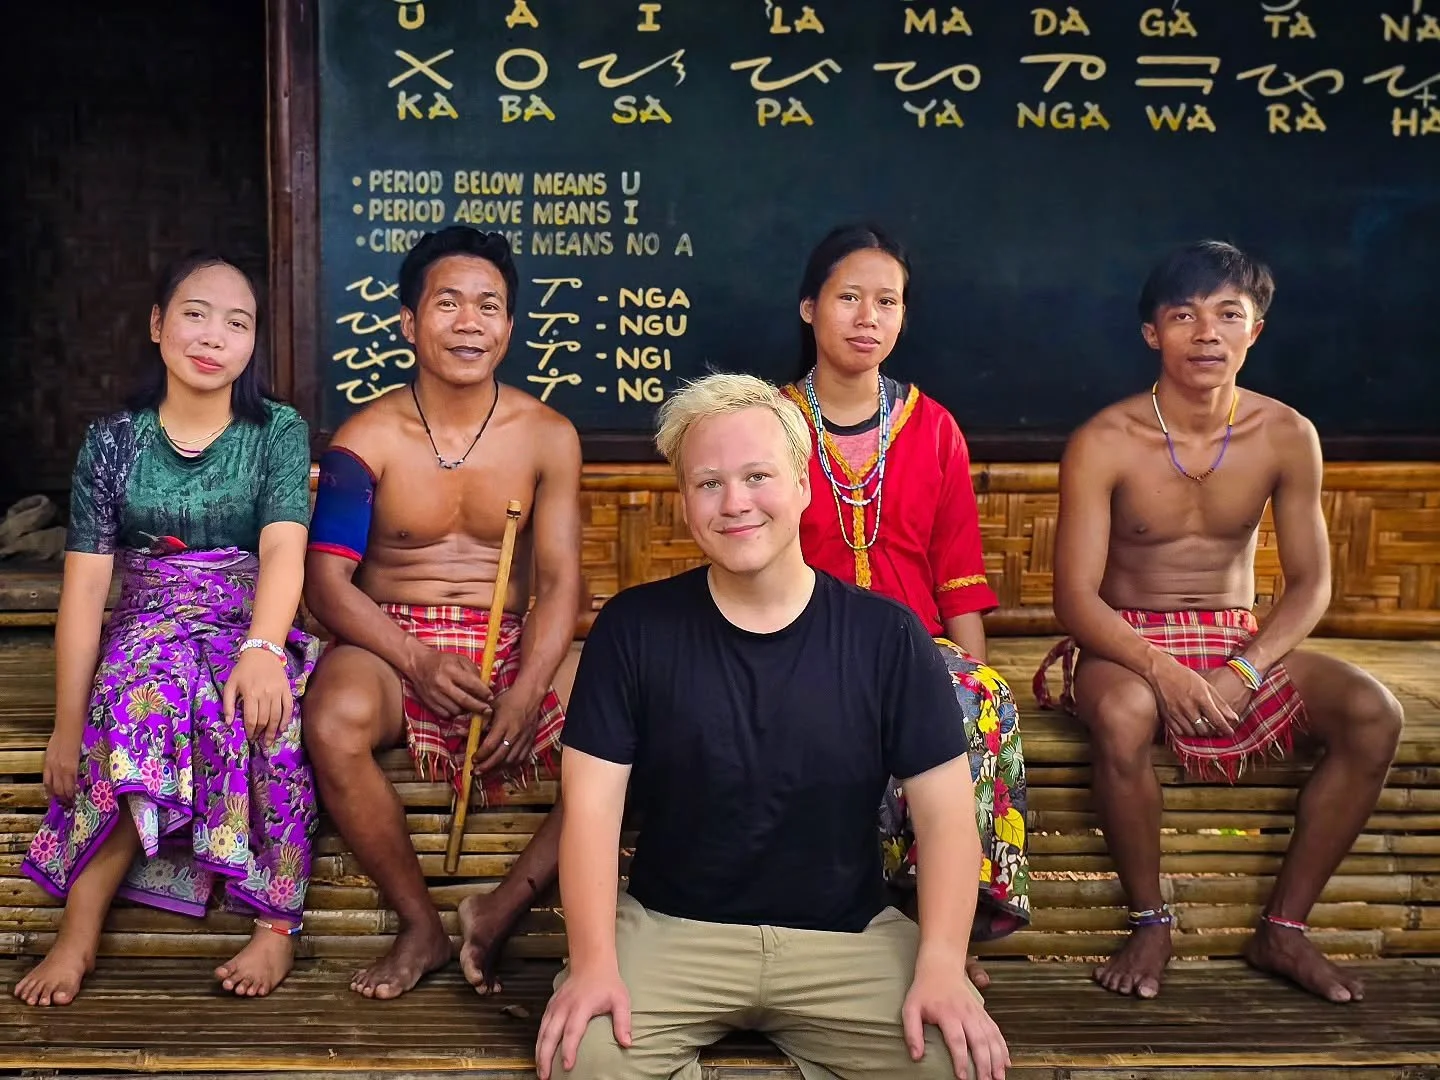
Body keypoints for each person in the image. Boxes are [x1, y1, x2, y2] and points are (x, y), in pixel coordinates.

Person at [536, 373, 1010, 1080]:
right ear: (686, 505)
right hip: (672, 931)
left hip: (845, 938)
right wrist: (594, 964)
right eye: (708, 483)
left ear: (803, 486)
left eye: (758, 476)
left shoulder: (887, 636)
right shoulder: (633, 630)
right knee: (585, 1059)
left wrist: (940, 965)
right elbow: (592, 811)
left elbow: (946, 819)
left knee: (954, 1061)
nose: (736, 503)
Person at [1035, 239, 1404, 1003]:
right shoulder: (1104, 440)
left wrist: (1244, 667)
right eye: (1184, 315)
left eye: (1227, 315)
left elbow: (1309, 584)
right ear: (1152, 333)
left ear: (1255, 331)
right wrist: (1162, 669)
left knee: (1375, 713)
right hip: (1125, 637)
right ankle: (1150, 920)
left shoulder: (1285, 433)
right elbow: (1074, 599)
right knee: (1128, 714)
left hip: (1237, 637)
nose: (1207, 333)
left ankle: (1285, 929)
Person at [15, 253, 320, 1006]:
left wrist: (262, 648)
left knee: (269, 719)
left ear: (253, 344)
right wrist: (63, 726)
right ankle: (77, 936)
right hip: (147, 622)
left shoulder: (277, 430)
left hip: (248, 620)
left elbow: (285, 547)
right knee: (132, 709)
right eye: (195, 313)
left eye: (237, 321)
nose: (214, 334)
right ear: (157, 325)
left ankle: (275, 926)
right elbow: (86, 592)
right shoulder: (113, 441)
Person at [302, 226, 583, 1001]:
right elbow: (328, 585)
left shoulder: (549, 437)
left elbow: (562, 583)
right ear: (407, 321)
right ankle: (420, 924)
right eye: (448, 302)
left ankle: (501, 910)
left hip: (515, 643)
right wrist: (417, 660)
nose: (469, 322)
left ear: (510, 326)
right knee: (331, 719)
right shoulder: (366, 438)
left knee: (642, 714)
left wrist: (527, 691)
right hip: (396, 640)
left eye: (488, 305)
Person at [783, 224, 1029, 989]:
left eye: (886, 301)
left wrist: (971, 671)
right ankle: (844, 919)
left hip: (913, 644)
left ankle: (941, 934)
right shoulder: (768, 422)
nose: (867, 317)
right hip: (797, 638)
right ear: (807, 309)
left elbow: (957, 575)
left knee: (978, 700)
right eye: (848, 297)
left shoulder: (935, 427)